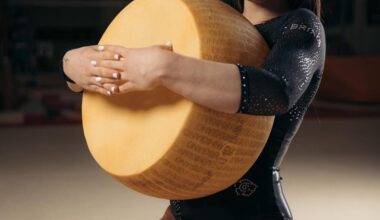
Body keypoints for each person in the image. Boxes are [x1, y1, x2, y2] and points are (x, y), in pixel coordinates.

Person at [62, 0, 325, 219]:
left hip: (253, 210)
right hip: (181, 210)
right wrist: (75, 65)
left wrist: (164, 67)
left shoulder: (301, 25)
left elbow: (276, 92)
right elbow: (139, 73)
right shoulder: (210, 15)